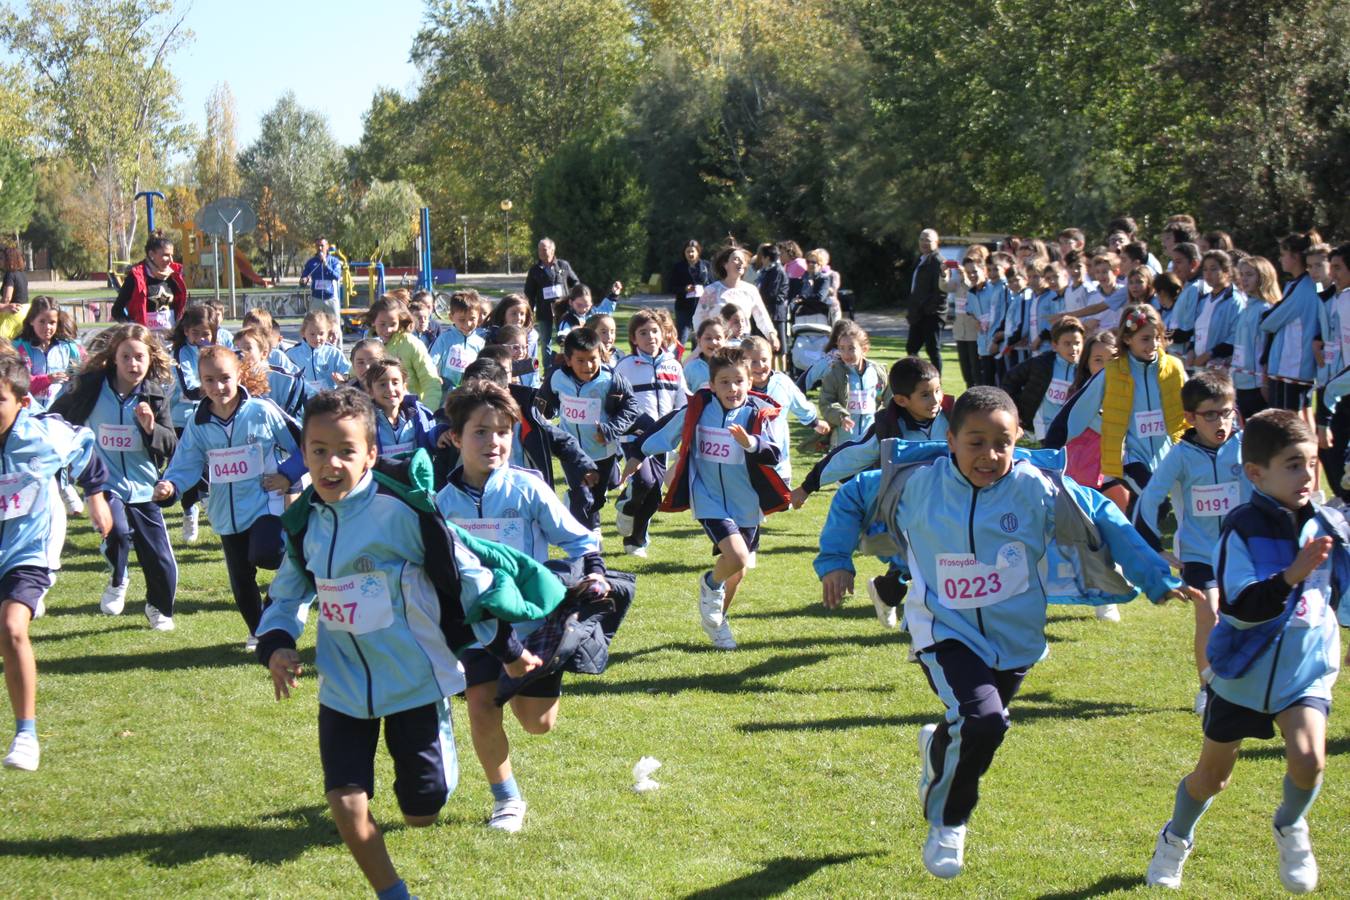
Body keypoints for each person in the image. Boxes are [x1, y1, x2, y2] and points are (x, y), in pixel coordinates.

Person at [818, 386, 1192, 879]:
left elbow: (1105, 516)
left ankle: (939, 749)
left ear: (1018, 440)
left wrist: (1155, 577)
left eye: (1003, 442)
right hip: (942, 631)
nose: (989, 455)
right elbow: (851, 496)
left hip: (1016, 641)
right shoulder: (917, 484)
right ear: (950, 440)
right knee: (986, 721)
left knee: (975, 726)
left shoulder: (1038, 488)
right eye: (975, 442)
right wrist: (835, 560)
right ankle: (949, 819)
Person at [256, 388, 556, 899]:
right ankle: (393, 893)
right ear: (303, 453)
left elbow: (464, 577)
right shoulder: (304, 520)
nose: (331, 464)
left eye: (346, 451)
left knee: (422, 811)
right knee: (347, 799)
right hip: (344, 686)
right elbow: (286, 595)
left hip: (414, 681)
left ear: (371, 454)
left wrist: (507, 646)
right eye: (318, 450)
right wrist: (278, 643)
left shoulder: (403, 510)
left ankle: (440, 759)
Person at [1145, 410, 1347, 894]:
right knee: (1211, 779)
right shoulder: (1242, 528)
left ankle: (1291, 825)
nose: (1307, 476)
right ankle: (1176, 838)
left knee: (1309, 759)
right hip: (1242, 673)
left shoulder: (1330, 524)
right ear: (1256, 473)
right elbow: (1238, 605)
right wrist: (1291, 576)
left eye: (1312, 463)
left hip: (1304, 672)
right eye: (1293, 465)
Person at [435, 381, 605, 834]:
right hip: (477, 627)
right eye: (480, 432)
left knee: (537, 723)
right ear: (455, 437)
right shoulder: (442, 502)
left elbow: (578, 538)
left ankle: (535, 682)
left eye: (503, 432)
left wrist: (594, 571)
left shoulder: (528, 489)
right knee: (480, 705)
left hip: (533, 625)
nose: (494, 442)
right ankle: (506, 799)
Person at [0, 355, 113, 771]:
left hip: (29, 549)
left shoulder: (43, 436)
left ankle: (25, 735)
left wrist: (96, 496)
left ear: (22, 402)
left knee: (12, 628)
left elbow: (85, 445)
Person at [635, 349, 791, 649]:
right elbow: (666, 434)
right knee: (737, 557)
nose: (732, 388)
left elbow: (774, 453)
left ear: (749, 382)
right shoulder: (699, 409)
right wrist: (637, 453)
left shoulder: (756, 413)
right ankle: (710, 585)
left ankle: (717, 621)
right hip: (708, 498)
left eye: (738, 381)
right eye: (724, 382)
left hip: (746, 502)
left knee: (738, 568)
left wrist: (751, 443)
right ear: (712, 384)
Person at [154, 346, 304, 649]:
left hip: (265, 504)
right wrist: (170, 486)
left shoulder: (262, 411)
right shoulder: (199, 422)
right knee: (240, 577)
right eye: (208, 380)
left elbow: (306, 442)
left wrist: (288, 474)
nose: (217, 387)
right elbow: (187, 463)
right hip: (225, 513)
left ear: (239, 374)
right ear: (200, 381)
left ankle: (283, 588)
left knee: (268, 555)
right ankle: (259, 631)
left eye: (224, 378)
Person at [1136, 371, 1250, 717]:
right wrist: (1155, 547)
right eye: (1211, 415)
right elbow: (1149, 500)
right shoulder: (1181, 455)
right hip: (1199, 555)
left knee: (1246, 618)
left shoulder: (1245, 446)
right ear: (1190, 418)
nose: (1221, 422)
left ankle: (1246, 685)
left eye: (1227, 412)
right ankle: (1207, 689)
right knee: (1210, 613)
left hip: (1242, 552)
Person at [50, 324, 179, 630]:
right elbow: (56, 417)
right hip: (104, 481)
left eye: (139, 357)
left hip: (144, 485)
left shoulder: (154, 395)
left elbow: (171, 443)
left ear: (150, 359)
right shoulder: (91, 387)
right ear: (114, 358)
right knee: (117, 531)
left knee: (161, 560)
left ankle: (158, 607)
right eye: (126, 357)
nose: (133, 364)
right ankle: (118, 578)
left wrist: (150, 429)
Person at [540, 327, 640, 534]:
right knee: (583, 495)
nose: (588, 366)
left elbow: (631, 408)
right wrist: (544, 419)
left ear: (600, 356)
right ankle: (589, 537)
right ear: (568, 360)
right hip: (571, 450)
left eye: (593, 359)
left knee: (597, 497)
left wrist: (610, 429)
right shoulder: (557, 377)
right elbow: (544, 403)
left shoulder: (610, 380)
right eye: (581, 360)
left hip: (603, 450)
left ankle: (606, 483)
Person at [613, 309, 689, 557]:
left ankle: (636, 542)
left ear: (663, 333)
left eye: (654, 331)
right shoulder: (625, 366)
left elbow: (681, 401)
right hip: (633, 434)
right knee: (643, 480)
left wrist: (680, 430)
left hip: (663, 437)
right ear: (634, 339)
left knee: (655, 494)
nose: (650, 337)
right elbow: (616, 402)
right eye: (643, 333)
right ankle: (625, 504)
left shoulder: (674, 365)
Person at [740, 335, 829, 486]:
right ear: (742, 362)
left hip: (778, 459)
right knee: (748, 503)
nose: (760, 365)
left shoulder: (782, 383)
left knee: (778, 503)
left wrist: (814, 422)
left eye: (764, 360)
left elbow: (799, 403)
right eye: (753, 361)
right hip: (744, 458)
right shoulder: (738, 386)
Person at [1261, 231, 1325, 411]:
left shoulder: (1304, 288)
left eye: (1283, 255)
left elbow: (1269, 322)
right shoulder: (1296, 285)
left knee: (1288, 427)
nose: (1280, 259)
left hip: (1293, 368)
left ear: (1295, 256)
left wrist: (1267, 316)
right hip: (1286, 369)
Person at [1002, 316, 1085, 441]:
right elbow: (1010, 379)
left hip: (1070, 432)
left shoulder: (1085, 370)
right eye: (1067, 344)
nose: (1073, 348)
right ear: (1055, 345)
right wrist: (1016, 411)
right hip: (1040, 432)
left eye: (1077, 343)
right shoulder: (1041, 364)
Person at [692, 246, 778, 353]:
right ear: (725, 265)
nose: (741, 262)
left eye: (743, 260)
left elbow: (762, 316)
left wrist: (771, 335)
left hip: (743, 346)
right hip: (717, 346)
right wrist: (703, 341)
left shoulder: (751, 290)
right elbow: (698, 318)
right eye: (736, 259)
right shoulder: (712, 290)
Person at [819, 322, 889, 447]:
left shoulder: (878, 372)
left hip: (871, 437)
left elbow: (889, 398)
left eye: (851, 348)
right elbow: (826, 402)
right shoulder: (834, 374)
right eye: (842, 348)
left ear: (864, 349)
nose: (846, 354)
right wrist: (841, 417)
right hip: (844, 437)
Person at [364, 296, 441, 408]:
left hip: (408, 412)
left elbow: (430, 380)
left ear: (400, 321)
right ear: (373, 322)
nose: (388, 329)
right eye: (382, 324)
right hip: (376, 412)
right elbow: (356, 374)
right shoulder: (369, 346)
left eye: (393, 324)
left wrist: (428, 411)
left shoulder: (411, 344)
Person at [12, 297, 85, 410]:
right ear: (31, 321)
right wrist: (48, 379)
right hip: (29, 413)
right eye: (42, 321)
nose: (47, 327)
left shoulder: (69, 347)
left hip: (60, 413)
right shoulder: (19, 348)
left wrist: (74, 376)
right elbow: (18, 384)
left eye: (52, 322)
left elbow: (84, 373)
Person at [112, 233, 188, 331]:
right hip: (146, 341)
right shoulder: (136, 278)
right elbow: (116, 311)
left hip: (170, 341)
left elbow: (180, 309)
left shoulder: (175, 277)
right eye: (166, 255)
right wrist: (134, 329)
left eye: (171, 255)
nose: (171, 260)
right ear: (151, 254)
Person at [1233, 256, 1279, 420]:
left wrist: (1263, 382)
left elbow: (1266, 348)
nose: (1244, 279)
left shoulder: (1266, 309)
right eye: (1242, 274)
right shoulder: (1247, 308)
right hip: (1240, 383)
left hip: (1257, 386)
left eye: (1249, 274)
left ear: (1263, 277)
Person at [523, 238, 579, 364]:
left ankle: (568, 364)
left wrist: (573, 300)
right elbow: (529, 293)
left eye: (544, 249)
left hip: (564, 311)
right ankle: (547, 369)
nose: (541, 252)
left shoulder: (563, 265)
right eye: (539, 250)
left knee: (567, 338)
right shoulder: (534, 270)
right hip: (544, 311)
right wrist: (529, 312)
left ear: (552, 250)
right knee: (545, 341)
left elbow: (575, 283)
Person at [905, 228, 946, 373]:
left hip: (931, 314)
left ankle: (937, 382)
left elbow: (940, 291)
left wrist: (928, 309)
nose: (923, 243)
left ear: (936, 242)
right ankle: (915, 377)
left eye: (927, 240)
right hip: (918, 313)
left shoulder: (937, 262)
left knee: (932, 349)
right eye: (921, 239)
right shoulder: (921, 259)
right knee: (911, 348)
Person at [287, 311, 351, 396]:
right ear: (303, 333)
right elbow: (285, 378)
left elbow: (347, 372)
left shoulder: (334, 353)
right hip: (302, 402)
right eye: (312, 334)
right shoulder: (292, 354)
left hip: (329, 399)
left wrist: (342, 378)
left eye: (321, 333)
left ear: (327, 333)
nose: (317, 338)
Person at [667, 239, 712, 346]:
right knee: (681, 337)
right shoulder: (678, 267)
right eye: (688, 252)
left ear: (698, 252)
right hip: (683, 308)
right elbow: (671, 287)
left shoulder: (706, 266)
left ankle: (696, 361)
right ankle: (676, 361)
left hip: (702, 307)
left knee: (699, 338)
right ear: (684, 253)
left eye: (693, 251)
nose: (690, 254)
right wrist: (685, 289)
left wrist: (704, 289)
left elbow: (712, 284)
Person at [755, 243, 790, 367]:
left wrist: (758, 297)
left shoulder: (777, 271)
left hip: (776, 312)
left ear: (767, 258)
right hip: (769, 311)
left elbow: (772, 293)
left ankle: (783, 372)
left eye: (762, 257)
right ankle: (773, 371)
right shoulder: (767, 271)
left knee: (780, 347)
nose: (761, 260)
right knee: (770, 347)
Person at [298, 237, 343, 320]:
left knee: (335, 327)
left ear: (327, 246)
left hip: (331, 299)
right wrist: (303, 281)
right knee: (314, 325)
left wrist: (326, 265)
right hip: (316, 299)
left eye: (322, 245)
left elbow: (337, 276)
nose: (320, 248)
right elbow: (303, 279)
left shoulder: (334, 261)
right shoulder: (311, 262)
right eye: (317, 246)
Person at [683, 317, 727, 392]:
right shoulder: (690, 368)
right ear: (699, 341)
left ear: (725, 340)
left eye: (718, 338)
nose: (713, 342)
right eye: (708, 338)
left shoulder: (731, 366)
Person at [0, 246, 30, 341]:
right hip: (25, 311)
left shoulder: (10, 274)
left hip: (13, 313)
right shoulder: (22, 274)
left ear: (9, 259)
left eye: (1, 258)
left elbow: (7, 298)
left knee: (2, 342)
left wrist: (3, 307)